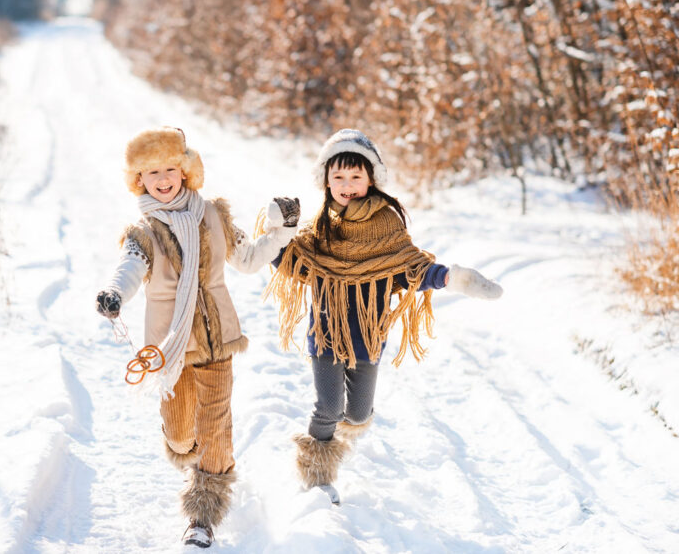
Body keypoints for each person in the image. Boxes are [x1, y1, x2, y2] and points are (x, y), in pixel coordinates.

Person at [265, 128, 503, 504]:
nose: (347, 185)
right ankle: (317, 478)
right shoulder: (321, 226)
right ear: (326, 180)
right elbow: (296, 264)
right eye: (338, 176)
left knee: (358, 415)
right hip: (326, 331)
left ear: (371, 179)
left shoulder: (387, 224)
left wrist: (452, 278)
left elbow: (410, 268)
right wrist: (276, 238)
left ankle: (339, 429)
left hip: (367, 335)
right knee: (328, 408)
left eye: (355, 176)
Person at [95, 127, 301, 548]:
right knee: (180, 435)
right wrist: (114, 293)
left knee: (215, 426)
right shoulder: (143, 233)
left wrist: (283, 231)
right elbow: (130, 268)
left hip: (217, 339)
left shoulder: (214, 216)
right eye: (153, 172)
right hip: (170, 348)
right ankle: (187, 446)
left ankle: (202, 515)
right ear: (139, 180)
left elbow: (248, 259)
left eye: (170, 169)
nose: (163, 179)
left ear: (186, 172)